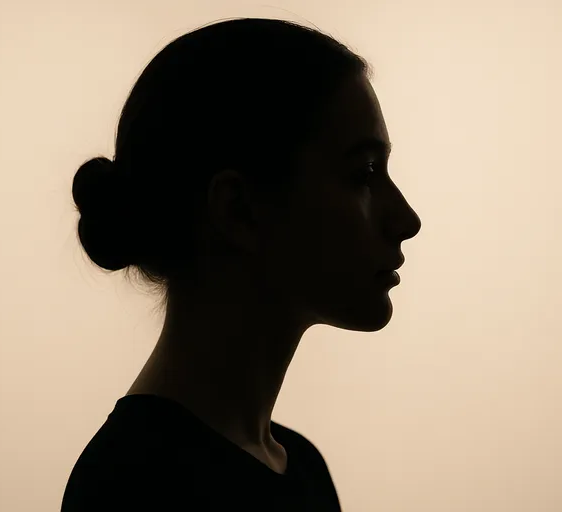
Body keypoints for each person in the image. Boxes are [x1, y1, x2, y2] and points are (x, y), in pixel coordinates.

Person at [61, 17, 421, 511]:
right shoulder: (133, 489)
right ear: (238, 210)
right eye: (363, 173)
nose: (407, 219)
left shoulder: (302, 468)